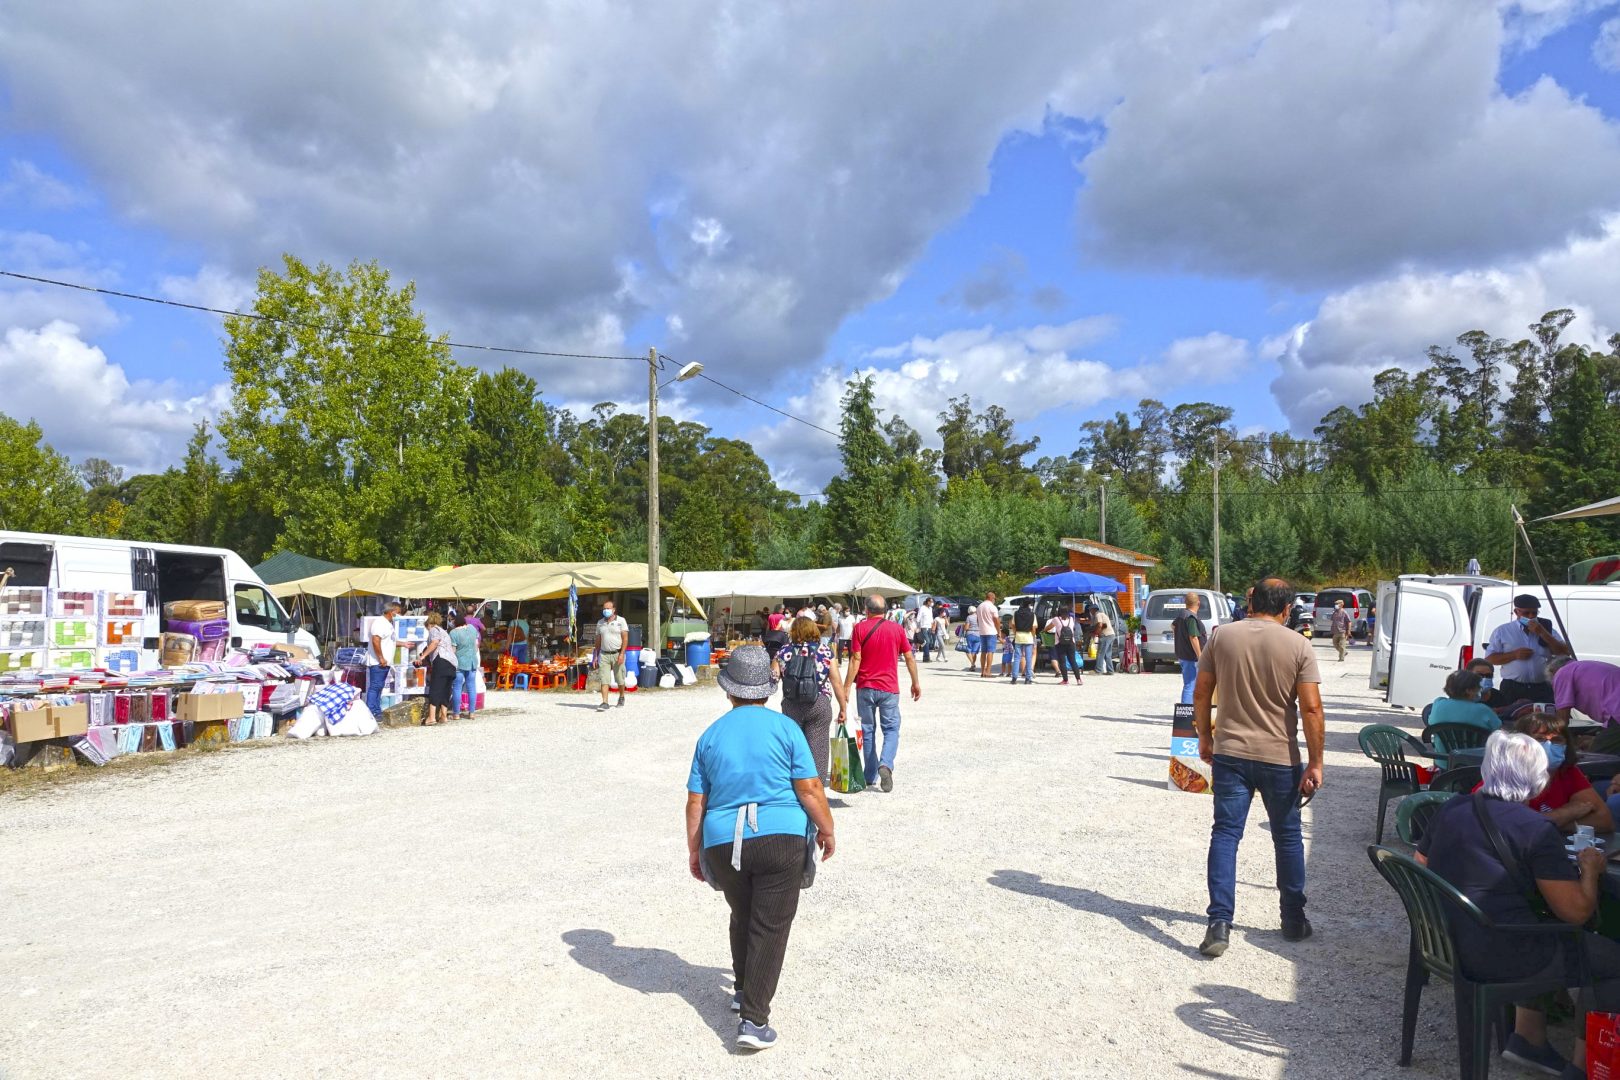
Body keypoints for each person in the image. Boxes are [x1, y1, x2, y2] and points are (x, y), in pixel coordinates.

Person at [1416, 730, 1620, 1079]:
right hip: (1497, 952)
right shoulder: (1535, 829)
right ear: (1538, 781)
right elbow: (1577, 912)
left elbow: (1421, 864)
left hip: (1446, 937)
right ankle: (1582, 1068)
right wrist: (1590, 870)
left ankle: (1529, 1038)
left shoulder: (1453, 808)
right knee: (1611, 960)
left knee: (1538, 919)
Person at [685, 645, 836, 1052]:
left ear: (728, 691)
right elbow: (809, 787)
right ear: (767, 690)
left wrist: (695, 851)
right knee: (769, 924)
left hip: (722, 840)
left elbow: (696, 802)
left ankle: (741, 989)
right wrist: (827, 829)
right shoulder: (786, 728)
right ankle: (754, 1019)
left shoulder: (711, 735)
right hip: (780, 836)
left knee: (743, 913)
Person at [1194, 578, 1324, 958]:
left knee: (1225, 835)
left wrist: (1205, 738)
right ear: (1286, 609)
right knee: (1286, 838)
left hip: (1231, 752)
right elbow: (1311, 708)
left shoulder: (1222, 637)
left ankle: (1219, 922)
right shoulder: (1298, 645)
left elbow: (1202, 692)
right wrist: (1316, 761)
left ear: (1253, 603)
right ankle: (1293, 918)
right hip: (1279, 756)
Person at [843, 594, 920, 793]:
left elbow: (855, 659)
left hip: (865, 687)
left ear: (867, 611)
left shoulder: (859, 628)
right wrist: (915, 683)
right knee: (891, 729)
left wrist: (846, 686)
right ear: (885, 610)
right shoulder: (896, 629)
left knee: (867, 730)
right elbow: (910, 657)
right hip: (889, 688)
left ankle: (870, 775)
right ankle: (885, 764)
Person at [771, 616, 849, 782]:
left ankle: (793, 789)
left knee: (793, 750)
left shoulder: (784, 651)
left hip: (792, 704)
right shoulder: (825, 651)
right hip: (818, 703)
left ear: (794, 631)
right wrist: (843, 708)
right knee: (818, 751)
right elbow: (836, 682)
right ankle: (816, 790)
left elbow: (773, 679)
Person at [1515, 709, 1614, 834]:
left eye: (1557, 740)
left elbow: (1604, 820)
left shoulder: (1568, 771)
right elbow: (1518, 826)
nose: (1549, 745)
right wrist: (1568, 812)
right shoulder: (1507, 775)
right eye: (1540, 739)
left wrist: (1551, 822)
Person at [1485, 593, 1571, 706]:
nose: (1530, 616)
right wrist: (1514, 655)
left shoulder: (1547, 630)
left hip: (1542, 687)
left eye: (1534, 613)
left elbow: (1564, 653)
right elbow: (1490, 659)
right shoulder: (1502, 631)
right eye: (1526, 613)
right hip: (1513, 687)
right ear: (1517, 612)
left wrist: (1543, 633)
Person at [1424, 669, 1501, 768]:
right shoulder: (1483, 710)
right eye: (1477, 688)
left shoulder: (1438, 704)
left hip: (1444, 762)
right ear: (1468, 690)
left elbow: (1430, 721)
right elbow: (1498, 731)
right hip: (1476, 765)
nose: (1479, 690)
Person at [1552, 656, 1620, 754]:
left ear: (1552, 671)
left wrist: (1559, 744)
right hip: (1616, 714)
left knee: (1598, 757)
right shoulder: (1584, 666)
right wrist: (1596, 739)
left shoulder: (1562, 673)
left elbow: (1562, 717)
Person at [418, 610, 458, 726]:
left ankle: (431, 717)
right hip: (452, 663)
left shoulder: (433, 630)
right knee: (446, 689)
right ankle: (443, 716)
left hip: (441, 661)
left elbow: (434, 643)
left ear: (428, 624)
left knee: (435, 688)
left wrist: (423, 656)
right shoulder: (444, 632)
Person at [363, 602, 401, 718]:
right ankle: (371, 711)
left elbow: (389, 641)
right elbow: (376, 640)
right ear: (391, 611)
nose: (399, 615)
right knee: (375, 687)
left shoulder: (387, 624)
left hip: (384, 662)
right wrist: (381, 658)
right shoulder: (380, 623)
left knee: (379, 687)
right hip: (378, 662)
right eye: (398, 612)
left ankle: (376, 710)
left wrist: (403, 644)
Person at [595, 601, 631, 713]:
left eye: (608, 608)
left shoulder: (621, 621)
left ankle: (621, 696)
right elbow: (598, 640)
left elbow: (625, 638)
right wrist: (595, 655)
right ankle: (605, 702)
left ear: (614, 609)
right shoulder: (600, 623)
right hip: (604, 654)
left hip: (617, 654)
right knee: (604, 679)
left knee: (619, 677)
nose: (606, 610)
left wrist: (622, 654)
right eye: (604, 608)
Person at [1174, 592, 1207, 706]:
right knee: (1190, 685)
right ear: (1198, 603)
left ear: (1185, 603)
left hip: (1183, 654)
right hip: (1190, 657)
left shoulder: (1181, 614)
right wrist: (1200, 656)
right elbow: (1193, 637)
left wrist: (1180, 639)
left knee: (1190, 683)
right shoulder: (1191, 617)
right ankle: (1186, 713)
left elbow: (1173, 626)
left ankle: (1190, 710)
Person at [449, 612, 481, 721]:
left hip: (459, 662)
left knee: (457, 687)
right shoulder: (472, 628)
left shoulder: (453, 633)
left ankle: (456, 714)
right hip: (472, 661)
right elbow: (476, 646)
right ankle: (472, 713)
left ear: (455, 623)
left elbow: (453, 650)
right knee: (472, 687)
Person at [1045, 605, 1084, 685]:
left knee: (1062, 662)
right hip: (1071, 643)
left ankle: (1065, 680)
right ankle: (1079, 680)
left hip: (1060, 643)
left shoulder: (1056, 619)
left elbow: (1048, 628)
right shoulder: (1071, 619)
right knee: (1073, 661)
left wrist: (1045, 630)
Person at [1009, 599, 1037, 685]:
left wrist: (1015, 632)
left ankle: (1014, 678)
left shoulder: (1016, 613)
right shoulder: (1032, 614)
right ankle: (1027, 679)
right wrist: (1033, 636)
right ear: (1029, 605)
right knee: (1028, 658)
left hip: (1018, 636)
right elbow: (1034, 627)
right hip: (1028, 637)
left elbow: (1012, 625)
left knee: (1017, 657)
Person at [974, 592, 1000, 679]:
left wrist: (980, 627)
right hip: (991, 631)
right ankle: (988, 671)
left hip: (982, 631)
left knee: (983, 652)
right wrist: (998, 631)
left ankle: (982, 671)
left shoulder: (979, 606)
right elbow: (996, 620)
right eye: (995, 599)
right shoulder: (992, 607)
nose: (994, 600)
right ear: (992, 598)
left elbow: (978, 620)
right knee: (990, 651)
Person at [1092, 604, 1116, 676]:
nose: (1090, 612)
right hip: (1111, 634)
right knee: (1107, 654)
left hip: (1105, 635)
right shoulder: (1103, 614)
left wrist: (1096, 633)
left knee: (1100, 653)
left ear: (1093, 610)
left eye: (1090, 610)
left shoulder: (1098, 615)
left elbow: (1100, 625)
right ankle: (1110, 670)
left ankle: (1098, 670)